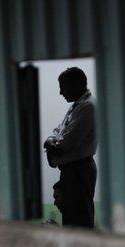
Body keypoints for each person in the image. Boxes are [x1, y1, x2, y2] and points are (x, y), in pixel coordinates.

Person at [44, 67, 98, 228]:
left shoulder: (88, 107)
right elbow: (57, 131)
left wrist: (49, 143)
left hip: (79, 172)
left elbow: (63, 144)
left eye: (63, 86)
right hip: (74, 171)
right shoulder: (78, 105)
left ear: (76, 84)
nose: (61, 92)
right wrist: (51, 141)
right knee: (72, 219)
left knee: (78, 223)